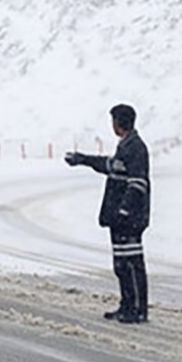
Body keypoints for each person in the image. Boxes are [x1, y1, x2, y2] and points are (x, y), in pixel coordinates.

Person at [64, 103, 150, 323]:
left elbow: (138, 183)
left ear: (119, 123)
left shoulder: (136, 148)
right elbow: (109, 165)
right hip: (119, 218)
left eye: (114, 121)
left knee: (132, 264)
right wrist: (83, 159)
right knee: (121, 265)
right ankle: (126, 305)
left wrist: (124, 209)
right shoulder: (125, 146)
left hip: (130, 219)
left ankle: (138, 309)